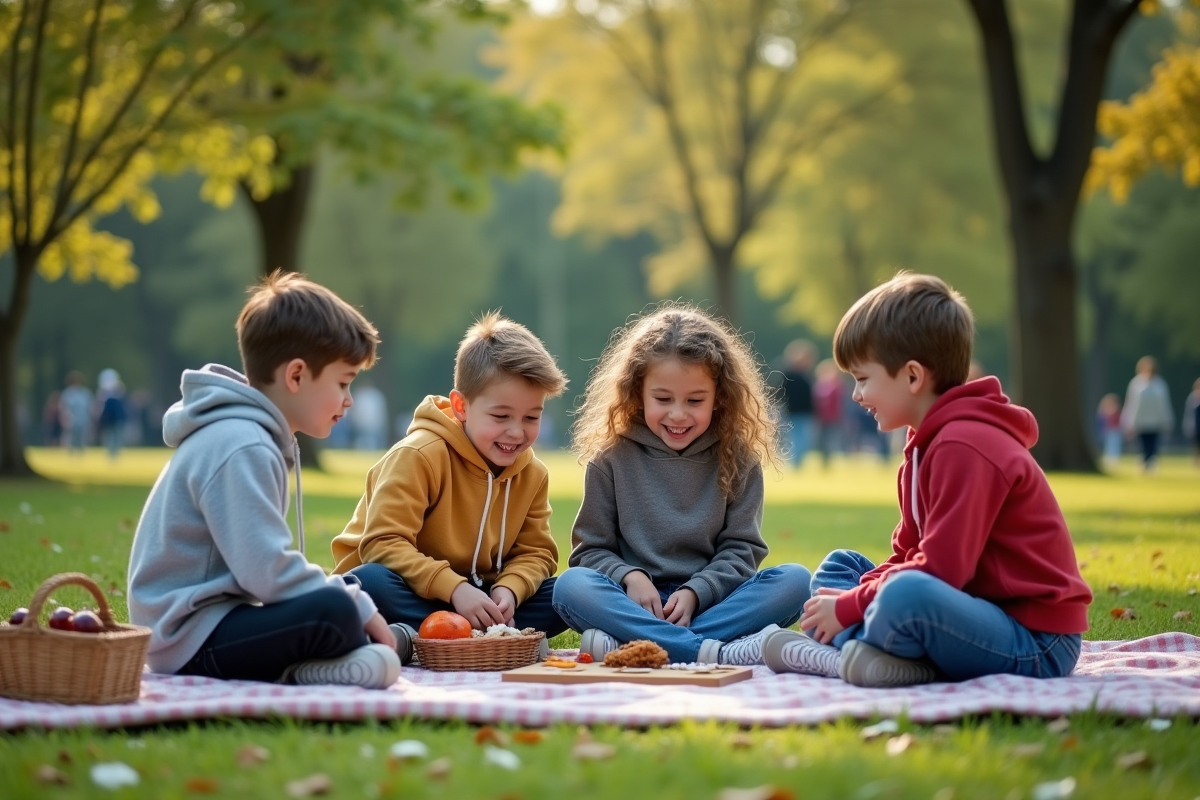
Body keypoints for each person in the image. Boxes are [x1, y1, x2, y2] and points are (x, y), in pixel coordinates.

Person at [763, 273, 1092, 687]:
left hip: (1035, 639)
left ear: (913, 376)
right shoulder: (923, 445)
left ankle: (850, 654)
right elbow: (908, 553)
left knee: (906, 595)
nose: (855, 395)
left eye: (863, 379)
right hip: (970, 607)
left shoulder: (966, 445)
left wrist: (849, 609)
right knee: (840, 567)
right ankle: (869, 653)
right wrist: (851, 599)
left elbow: (939, 572)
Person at [127, 271, 400, 689]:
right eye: (343, 382)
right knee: (338, 608)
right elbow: (266, 571)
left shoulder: (251, 436)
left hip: (215, 623)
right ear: (296, 375)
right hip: (186, 638)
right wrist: (357, 608)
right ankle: (313, 666)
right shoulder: (242, 445)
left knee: (354, 589)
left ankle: (311, 669)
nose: (349, 399)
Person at [553, 304, 812, 666]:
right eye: (663, 399)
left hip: (711, 603)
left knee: (796, 582)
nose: (677, 414)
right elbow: (590, 552)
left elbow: (741, 551)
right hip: (632, 601)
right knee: (571, 587)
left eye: (694, 400)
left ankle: (640, 644)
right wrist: (631, 577)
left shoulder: (738, 459)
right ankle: (707, 650)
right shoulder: (610, 458)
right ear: (636, 392)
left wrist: (696, 592)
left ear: (720, 396)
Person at [332, 313, 570, 664]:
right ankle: (456, 635)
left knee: (566, 592)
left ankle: (441, 635)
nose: (517, 432)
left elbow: (538, 553)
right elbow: (382, 544)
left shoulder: (532, 473)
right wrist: (454, 589)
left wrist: (510, 589)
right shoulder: (419, 455)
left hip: (481, 598)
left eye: (531, 418)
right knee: (368, 582)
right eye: (501, 417)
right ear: (461, 406)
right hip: (411, 589)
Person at [1121, 356, 1174, 474]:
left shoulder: (1160, 384)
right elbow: (1131, 403)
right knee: (1143, 444)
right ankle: (1144, 463)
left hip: (1155, 421)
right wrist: (1128, 421)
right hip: (1140, 421)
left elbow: (1164, 404)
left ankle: (1151, 464)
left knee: (1153, 445)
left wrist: (1167, 420)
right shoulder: (1136, 383)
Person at [778, 339, 817, 468]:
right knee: (797, 439)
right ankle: (794, 463)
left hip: (802, 412)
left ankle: (795, 463)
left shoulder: (802, 375)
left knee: (800, 439)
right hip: (794, 412)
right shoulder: (789, 375)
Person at [812, 359, 844, 468]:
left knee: (829, 441)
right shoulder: (819, 386)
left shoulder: (836, 387)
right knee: (821, 441)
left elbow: (840, 404)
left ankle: (827, 462)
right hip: (820, 419)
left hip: (833, 419)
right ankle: (823, 460)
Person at [95, 369, 128, 459]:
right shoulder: (104, 395)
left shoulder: (118, 393)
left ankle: (115, 453)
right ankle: (110, 454)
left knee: (117, 437)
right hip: (109, 419)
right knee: (109, 437)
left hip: (116, 419)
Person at [59, 371, 93, 453]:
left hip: (83, 419)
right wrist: (65, 419)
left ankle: (81, 452)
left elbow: (90, 407)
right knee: (71, 438)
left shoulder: (85, 393)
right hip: (71, 420)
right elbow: (63, 407)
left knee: (82, 438)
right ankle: (71, 452)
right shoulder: (67, 393)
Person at [350, 381, 389, 451]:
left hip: (371, 423)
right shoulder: (363, 395)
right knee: (363, 440)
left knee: (371, 440)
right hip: (364, 423)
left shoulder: (374, 395)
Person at [1096, 393, 1123, 463]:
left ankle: (1115, 458)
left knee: (1115, 445)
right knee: (1109, 445)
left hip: (1116, 431)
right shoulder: (1105, 411)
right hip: (1109, 431)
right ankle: (1109, 458)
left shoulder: (1117, 411)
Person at [1183, 378, 1200, 468]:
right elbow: (1189, 414)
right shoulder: (1192, 398)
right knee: (1196, 446)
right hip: (1195, 427)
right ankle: (1196, 463)